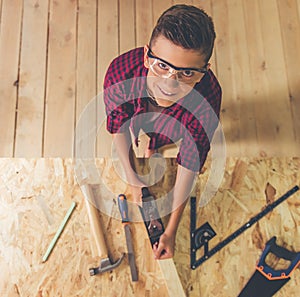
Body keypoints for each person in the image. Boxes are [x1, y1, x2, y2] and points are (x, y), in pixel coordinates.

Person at [103, 4, 222, 260]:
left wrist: (170, 229)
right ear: (146, 56)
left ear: (204, 73)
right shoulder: (119, 75)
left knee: (170, 137)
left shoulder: (208, 103)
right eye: (161, 66)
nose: (169, 84)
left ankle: (156, 143)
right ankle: (153, 143)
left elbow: (190, 165)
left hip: (177, 127)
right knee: (144, 130)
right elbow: (119, 127)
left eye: (186, 73)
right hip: (141, 118)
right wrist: (132, 178)